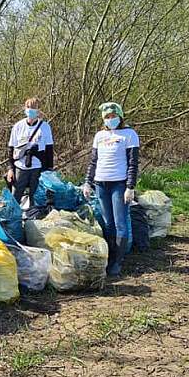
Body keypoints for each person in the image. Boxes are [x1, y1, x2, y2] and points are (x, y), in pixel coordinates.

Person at [82, 101, 140, 277]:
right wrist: (87, 182)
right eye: (107, 117)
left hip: (119, 184)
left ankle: (118, 261)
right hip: (101, 183)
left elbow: (133, 163)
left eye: (113, 116)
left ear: (120, 117)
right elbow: (94, 161)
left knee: (120, 222)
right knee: (108, 223)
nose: (110, 119)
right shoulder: (99, 136)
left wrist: (130, 187)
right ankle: (110, 256)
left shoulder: (129, 134)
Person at [6, 97, 54, 205]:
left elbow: (49, 150)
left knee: (36, 198)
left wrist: (49, 170)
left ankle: (34, 214)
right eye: (28, 107)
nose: (30, 110)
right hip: (20, 167)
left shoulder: (45, 127)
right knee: (15, 197)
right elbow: (11, 148)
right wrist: (10, 169)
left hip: (38, 168)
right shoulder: (18, 126)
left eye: (33, 107)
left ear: (38, 110)